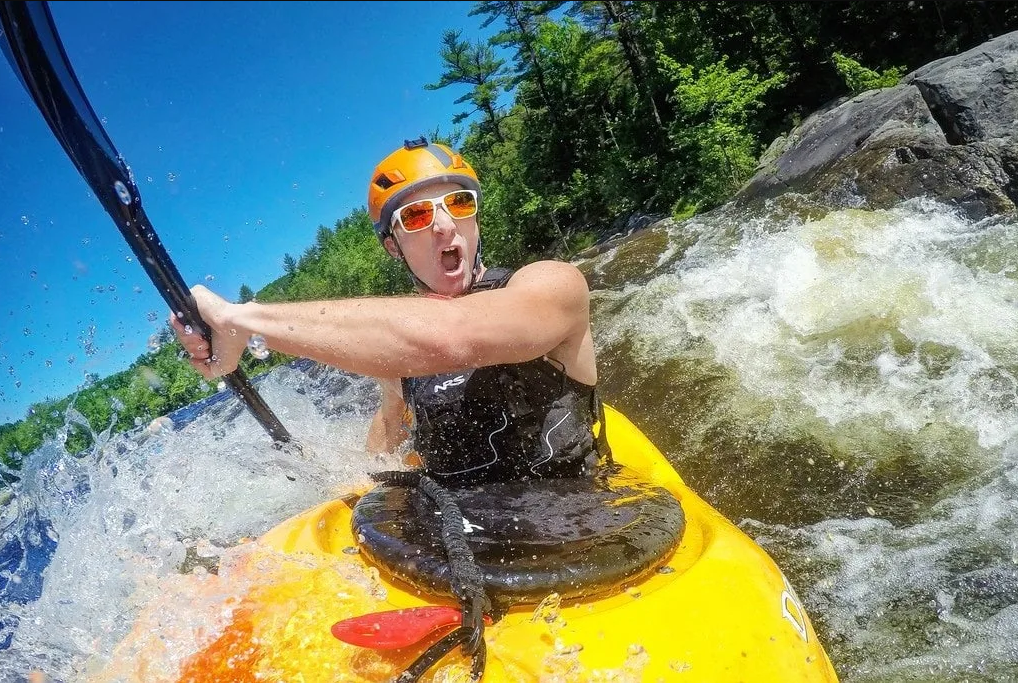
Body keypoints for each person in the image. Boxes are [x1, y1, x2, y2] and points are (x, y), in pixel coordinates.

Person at [170, 136, 608, 486]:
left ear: (475, 219)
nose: (443, 225)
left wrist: (240, 321)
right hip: (460, 548)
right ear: (393, 247)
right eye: (416, 216)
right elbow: (385, 439)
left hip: (580, 529)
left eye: (459, 204)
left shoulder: (553, 285)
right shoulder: (398, 351)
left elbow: (455, 335)